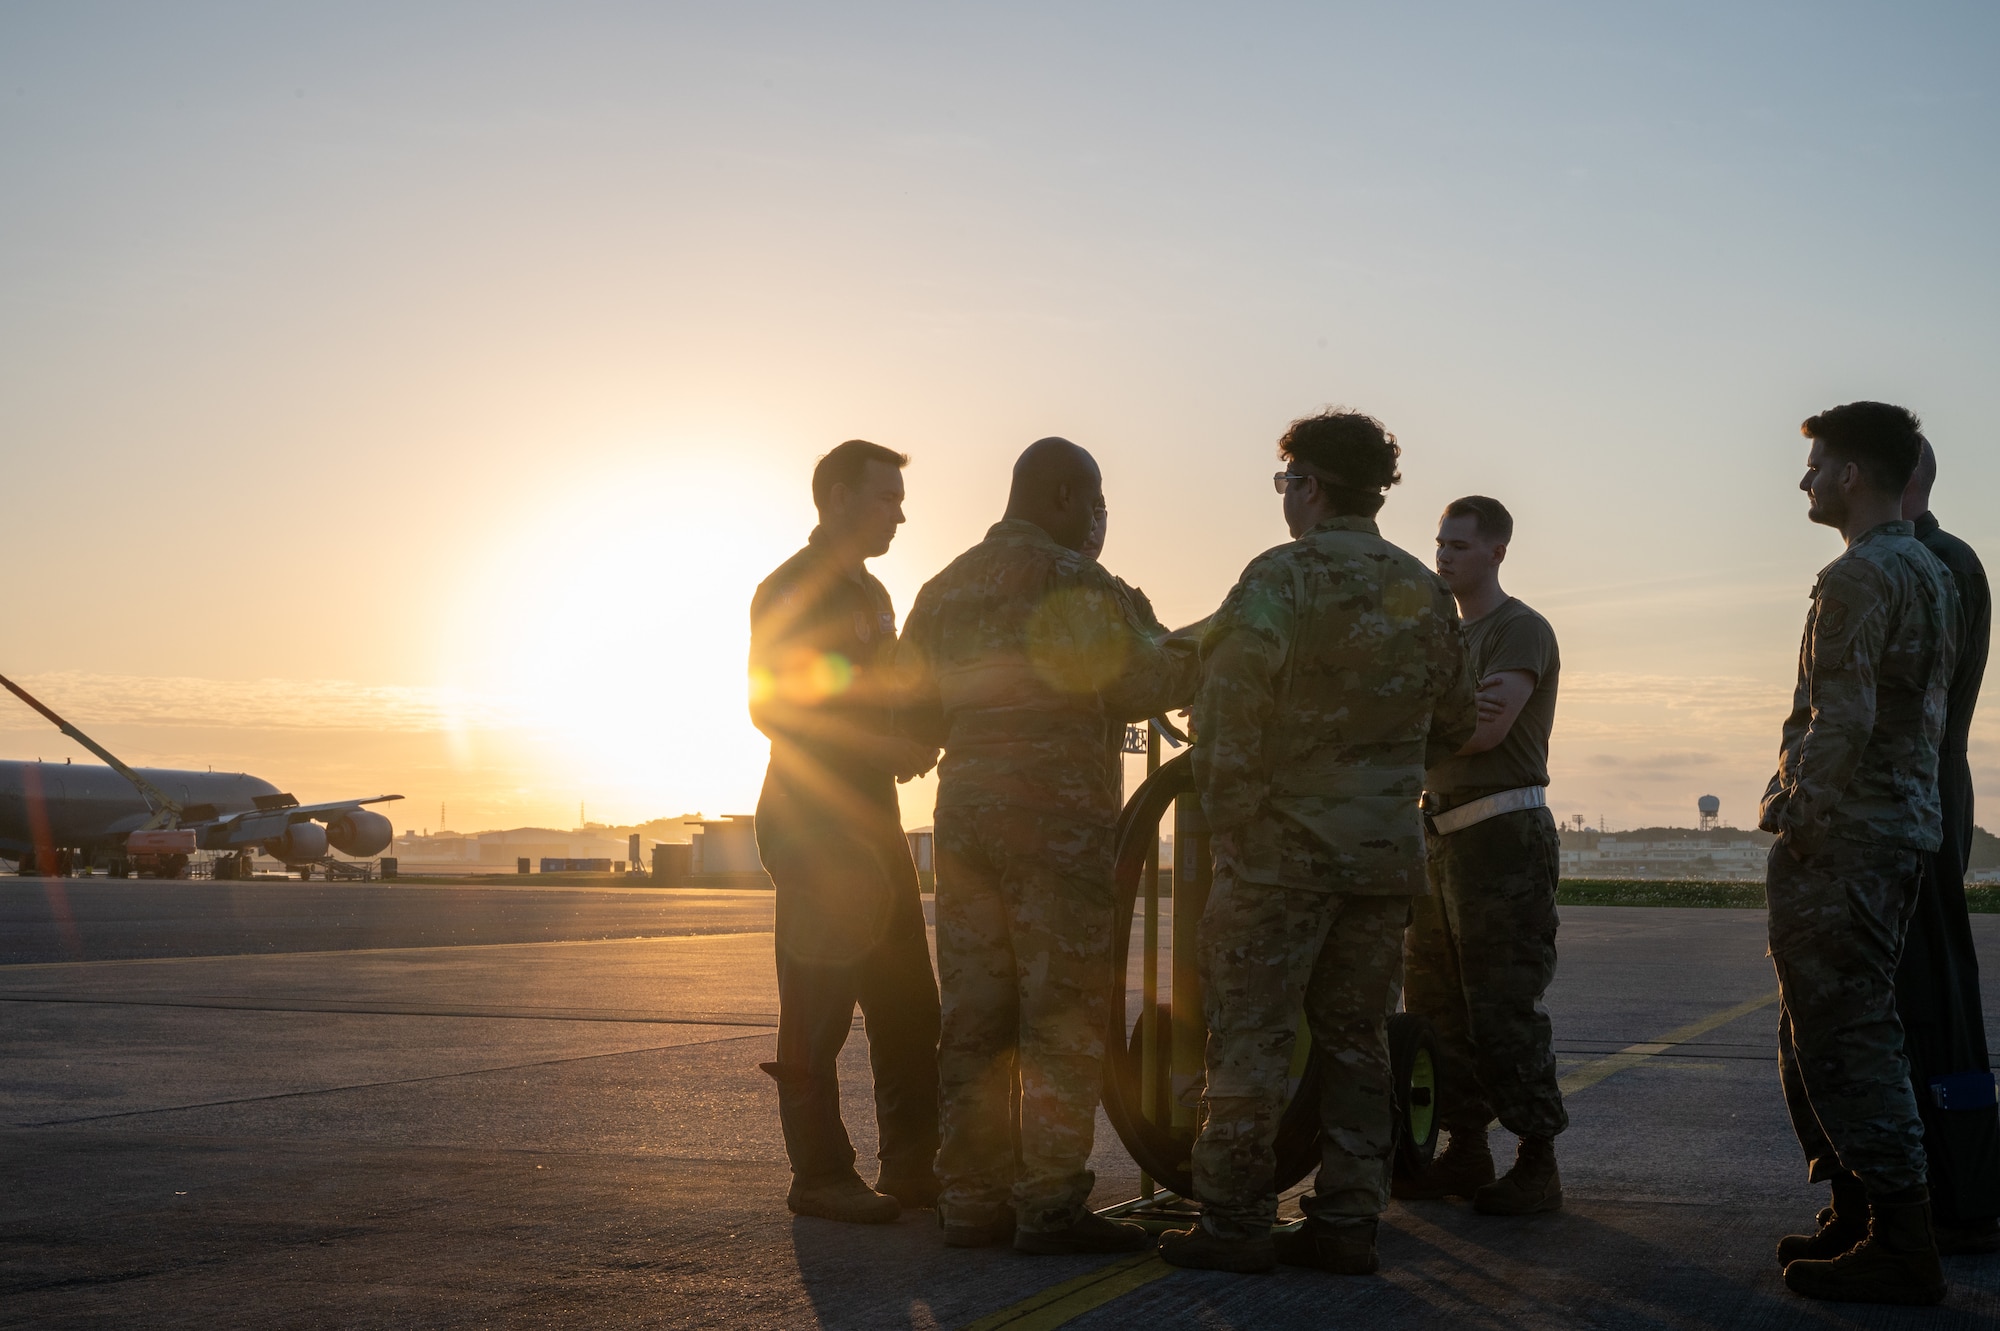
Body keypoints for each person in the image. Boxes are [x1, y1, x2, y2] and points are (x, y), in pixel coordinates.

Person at [1157, 409, 1475, 1275]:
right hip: (1379, 859)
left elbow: (1224, 715)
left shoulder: (1280, 578)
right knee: (1357, 1038)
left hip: (1277, 858)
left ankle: (1233, 1218)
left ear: (1311, 484)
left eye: (1285, 480)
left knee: (1251, 1035)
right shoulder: (1422, 589)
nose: (1285, 497)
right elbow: (1453, 724)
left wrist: (1235, 827)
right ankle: (1347, 1221)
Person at [896, 437, 1199, 1255]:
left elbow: (907, 723)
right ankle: (1050, 1204)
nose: (1102, 524)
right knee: (1060, 1013)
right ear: (1065, 496)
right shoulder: (1076, 581)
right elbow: (1143, 683)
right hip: (1053, 823)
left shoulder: (942, 588)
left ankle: (970, 1198)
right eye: (1098, 506)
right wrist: (1170, 636)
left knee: (974, 1014)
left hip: (964, 820)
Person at [1762, 401, 1958, 1305]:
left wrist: (1803, 817)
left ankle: (1900, 1235)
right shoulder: (1929, 568)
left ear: (1851, 475)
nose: (1805, 480)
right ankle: (1861, 1206)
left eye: (1817, 465)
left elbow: (1841, 719)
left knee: (1846, 1035)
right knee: (1836, 1029)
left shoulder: (1856, 578)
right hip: (1900, 828)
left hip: (1846, 838)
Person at [748, 439, 943, 1225]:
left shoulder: (874, 592)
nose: (899, 510)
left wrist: (919, 728)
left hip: (871, 825)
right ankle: (820, 1174)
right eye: (884, 496)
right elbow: (777, 705)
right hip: (814, 827)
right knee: (819, 1013)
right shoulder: (791, 588)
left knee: (909, 1007)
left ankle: (911, 1164)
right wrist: (881, 746)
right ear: (834, 498)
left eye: (899, 497)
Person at [1396, 495, 1568, 1214]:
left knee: (1502, 1007)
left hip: (1502, 840)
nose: (1444, 555)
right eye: (1439, 543)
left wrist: (1395, 734)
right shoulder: (1440, 635)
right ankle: (1467, 1148)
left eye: (1460, 545)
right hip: (1440, 838)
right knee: (1436, 1008)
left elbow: (1484, 727)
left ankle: (1537, 1160)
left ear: (1497, 551)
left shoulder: (1518, 629)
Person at [1895, 437, 2000, 1253]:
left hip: (1919, 798)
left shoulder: (1940, 564)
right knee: (1906, 1001)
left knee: (1938, 997)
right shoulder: (1922, 557)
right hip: (1915, 794)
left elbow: (1922, 704)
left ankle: (1960, 1194)